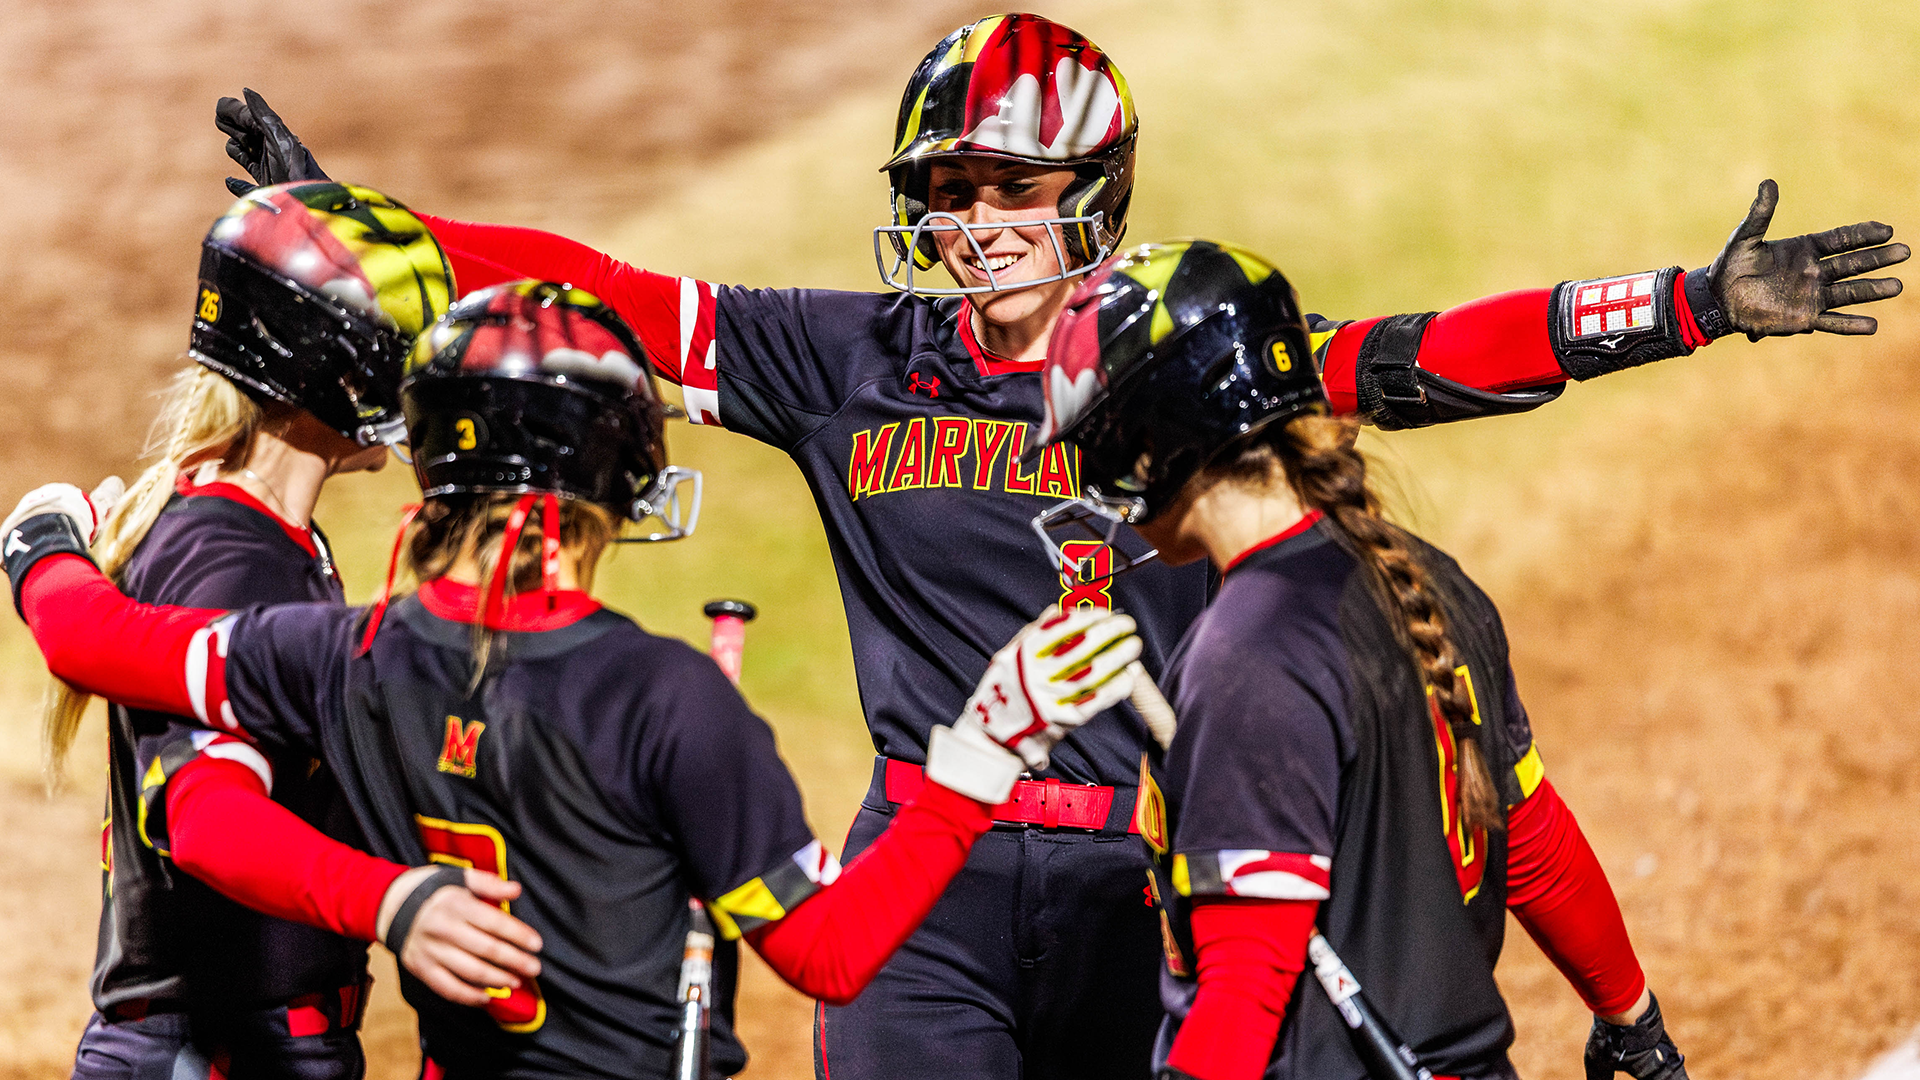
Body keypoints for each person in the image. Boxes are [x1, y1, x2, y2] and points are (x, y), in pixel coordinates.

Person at [210, 15, 1906, 1077]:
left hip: (1134, 886)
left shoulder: (1173, 370)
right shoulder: (844, 354)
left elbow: (1426, 356)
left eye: (1008, 194)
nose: (972, 227)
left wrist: (1689, 306)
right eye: (945, 192)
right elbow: (601, 284)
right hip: (918, 883)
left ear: (1092, 191)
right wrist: (385, 226)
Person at [1, 280, 1146, 1079]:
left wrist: (43, 551)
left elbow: (92, 642)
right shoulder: (670, 704)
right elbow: (833, 951)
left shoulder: (347, 652)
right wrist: (975, 757)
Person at [1028, 238, 1690, 1080]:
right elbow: (1523, 832)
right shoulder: (1422, 578)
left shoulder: (1245, 662)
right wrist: (1629, 1013)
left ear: (1163, 440)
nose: (1092, 476)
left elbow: (1244, 992)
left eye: (1101, 438)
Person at [42, 180, 544, 1080]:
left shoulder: (271, 533)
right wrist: (398, 904)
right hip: (229, 1049)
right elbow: (208, 821)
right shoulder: (234, 556)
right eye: (393, 343)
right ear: (323, 369)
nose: (414, 370)